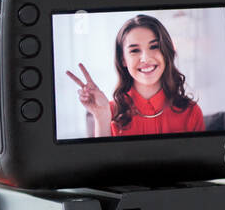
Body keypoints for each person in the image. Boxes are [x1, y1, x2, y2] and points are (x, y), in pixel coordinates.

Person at [66, 14, 205, 137]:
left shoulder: (191, 112)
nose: (145, 58)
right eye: (135, 50)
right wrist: (102, 117)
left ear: (166, 52)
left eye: (154, 46)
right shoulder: (108, 112)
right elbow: (103, 165)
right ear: (123, 60)